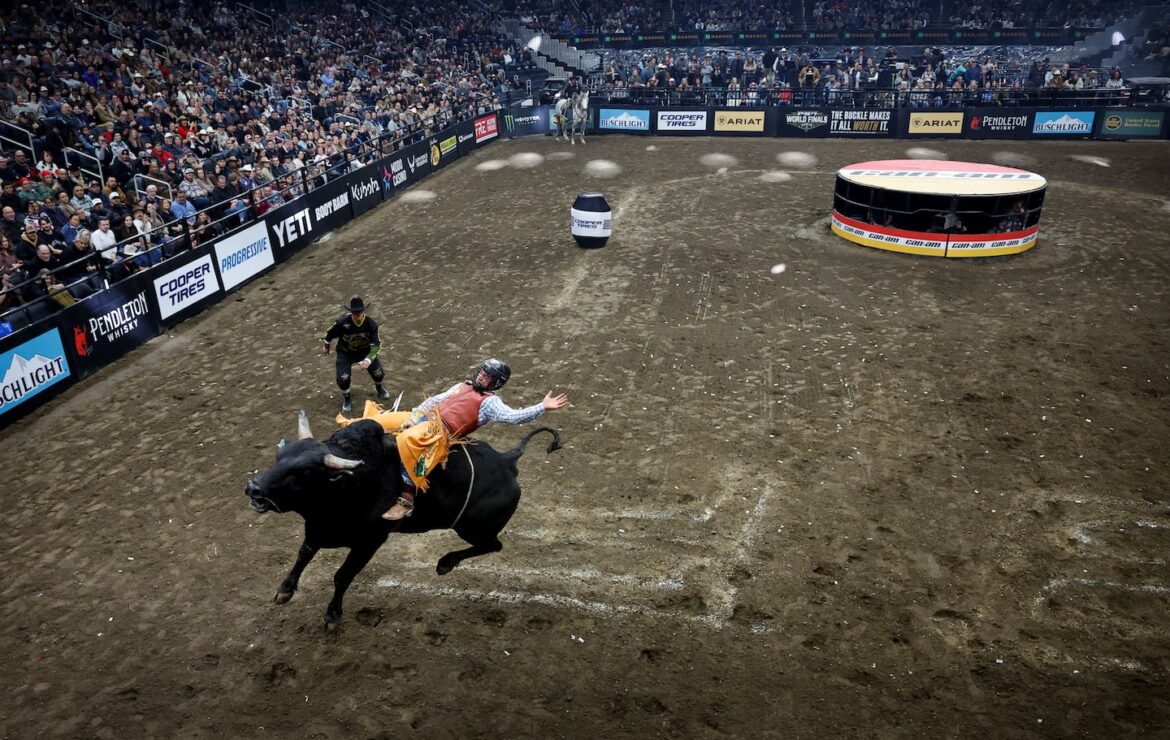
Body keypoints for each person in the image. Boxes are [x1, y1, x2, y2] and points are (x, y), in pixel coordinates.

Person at [338, 358, 569, 521]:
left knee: (408, 440)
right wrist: (417, 414)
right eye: (481, 371)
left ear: (496, 383)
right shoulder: (463, 386)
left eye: (487, 376)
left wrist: (541, 407)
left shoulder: (490, 403)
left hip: (441, 434)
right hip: (425, 419)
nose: (481, 376)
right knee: (376, 422)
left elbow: (513, 417)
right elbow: (435, 400)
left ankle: (406, 497)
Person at [320, 296, 391, 413]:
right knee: (342, 379)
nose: (358, 314)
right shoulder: (342, 322)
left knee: (379, 374)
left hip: (365, 352)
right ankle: (347, 399)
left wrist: (368, 359)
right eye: (355, 312)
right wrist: (326, 344)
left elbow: (376, 345)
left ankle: (379, 388)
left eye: (360, 311)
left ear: (364, 311)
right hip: (345, 353)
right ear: (351, 312)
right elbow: (330, 332)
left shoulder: (371, 324)